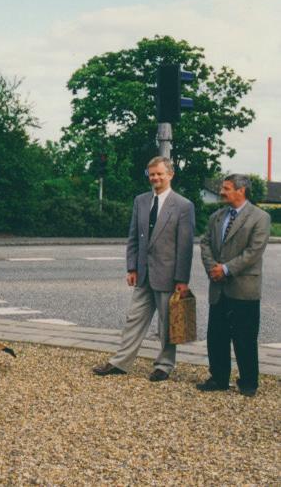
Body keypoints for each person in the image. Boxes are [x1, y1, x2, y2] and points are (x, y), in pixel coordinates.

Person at [93, 156, 195, 381]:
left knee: (167, 324)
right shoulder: (140, 201)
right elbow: (133, 237)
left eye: (159, 174)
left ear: (170, 175)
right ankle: (120, 363)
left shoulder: (183, 205)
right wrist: (132, 267)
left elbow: (185, 247)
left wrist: (182, 279)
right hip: (142, 273)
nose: (155, 178)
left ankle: (164, 365)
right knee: (134, 318)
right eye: (152, 174)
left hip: (169, 276)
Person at [197, 174, 270, 397]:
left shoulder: (260, 217)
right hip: (218, 288)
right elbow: (205, 242)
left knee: (245, 338)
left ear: (241, 190)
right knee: (216, 336)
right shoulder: (216, 216)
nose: (221, 191)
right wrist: (213, 268)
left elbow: (254, 252)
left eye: (226, 188)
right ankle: (218, 378)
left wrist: (226, 269)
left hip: (243, 288)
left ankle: (248, 382)